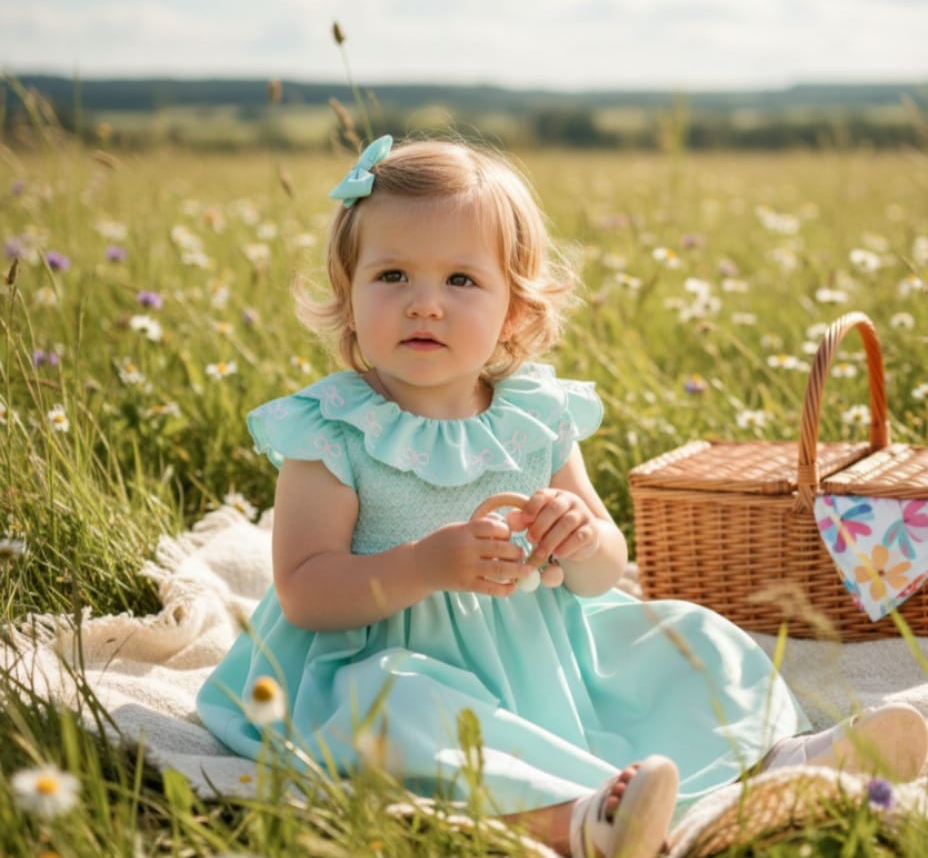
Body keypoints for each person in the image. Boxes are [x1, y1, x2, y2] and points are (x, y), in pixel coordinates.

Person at [197, 135, 928, 858]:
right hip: (382, 656)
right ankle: (581, 819)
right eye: (391, 275)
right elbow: (303, 590)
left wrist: (580, 533)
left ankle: (784, 766)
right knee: (402, 715)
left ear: (514, 310)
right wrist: (424, 565)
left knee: (688, 641)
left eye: (460, 280)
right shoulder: (334, 429)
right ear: (348, 297)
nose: (425, 304)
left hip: (548, 658)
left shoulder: (533, 415)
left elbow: (607, 568)